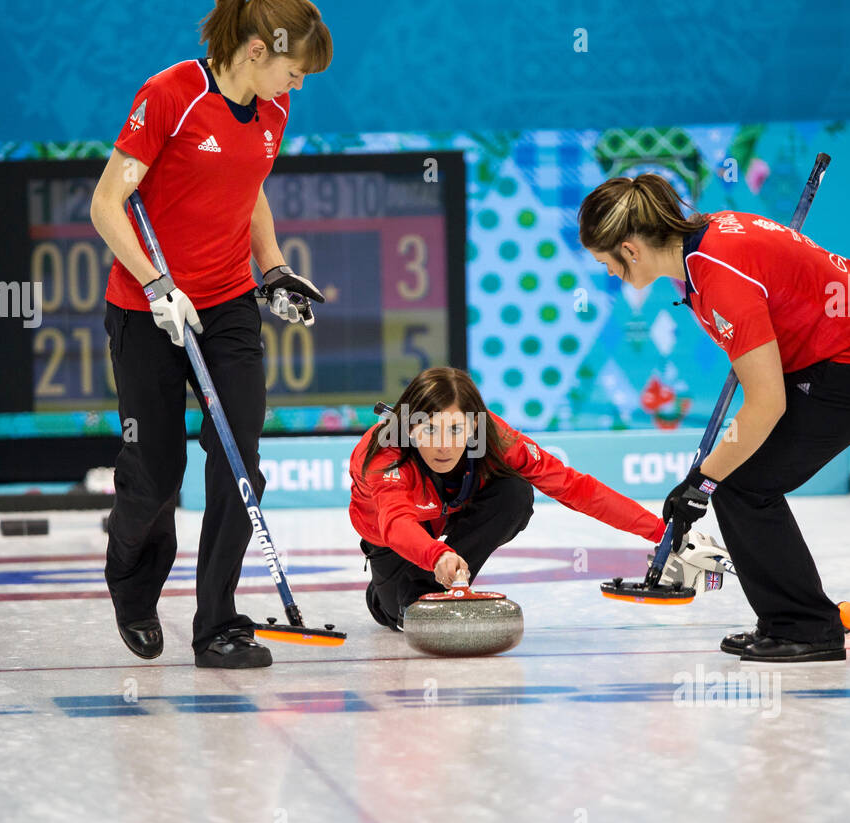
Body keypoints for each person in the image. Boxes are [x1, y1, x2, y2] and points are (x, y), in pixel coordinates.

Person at [579, 173, 850, 662]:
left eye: (605, 262)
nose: (607, 273)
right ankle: (792, 618)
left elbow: (766, 404)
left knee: (741, 485)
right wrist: (706, 478)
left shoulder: (718, 276)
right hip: (834, 347)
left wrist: (702, 481)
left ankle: (807, 627)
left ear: (630, 250)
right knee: (737, 479)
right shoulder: (702, 246)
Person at [89, 0, 332, 668]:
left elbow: (247, 187)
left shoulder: (273, 109)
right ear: (257, 50)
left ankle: (217, 624)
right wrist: (154, 284)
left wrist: (274, 266)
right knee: (156, 473)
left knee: (238, 459)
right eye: (294, 68)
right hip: (148, 309)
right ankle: (132, 584)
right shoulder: (171, 95)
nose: (300, 83)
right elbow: (107, 203)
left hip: (226, 304)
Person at [349, 367, 666, 629]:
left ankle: (426, 592)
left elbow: (574, 487)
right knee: (391, 615)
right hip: (393, 541)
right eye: (429, 430)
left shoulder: (496, 439)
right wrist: (438, 557)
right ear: (409, 426)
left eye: (456, 430)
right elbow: (394, 522)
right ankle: (386, 596)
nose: (443, 445)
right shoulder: (385, 454)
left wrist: (662, 532)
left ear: (474, 425)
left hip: (445, 518)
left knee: (514, 493)